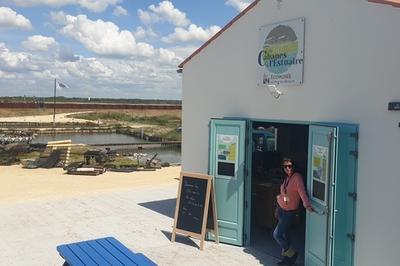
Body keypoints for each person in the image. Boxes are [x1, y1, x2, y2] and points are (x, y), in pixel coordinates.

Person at [273, 157, 313, 265]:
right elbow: (284, 195)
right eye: (285, 166)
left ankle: (292, 254)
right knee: (286, 236)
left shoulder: (297, 177)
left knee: (277, 234)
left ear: (293, 166)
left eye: (289, 166)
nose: (287, 168)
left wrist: (307, 204)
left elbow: (302, 192)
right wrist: (278, 207)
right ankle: (286, 260)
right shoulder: (287, 178)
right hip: (282, 210)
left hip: (289, 212)